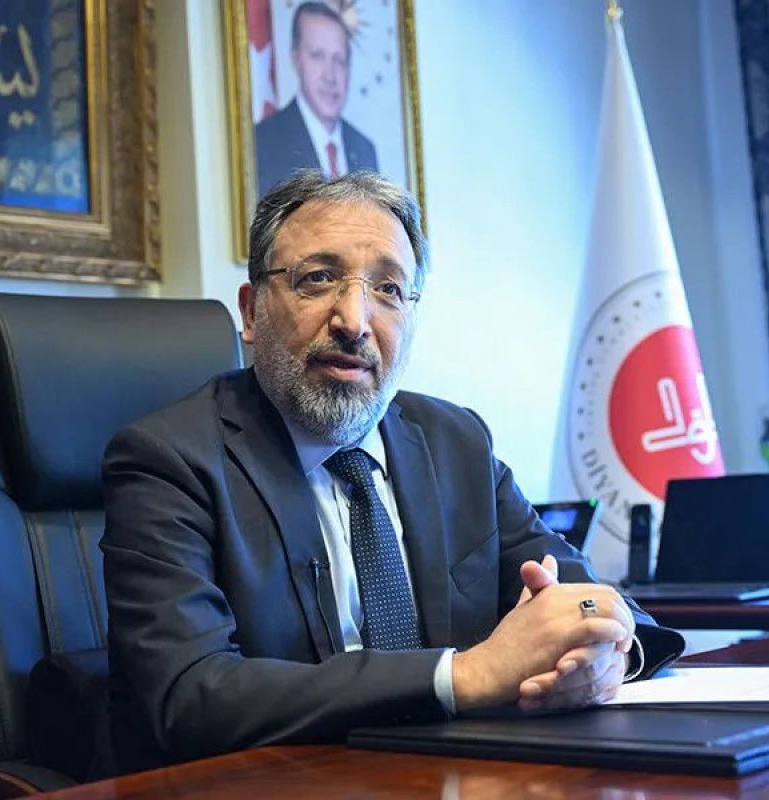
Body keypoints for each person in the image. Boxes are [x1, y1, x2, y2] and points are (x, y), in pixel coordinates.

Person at [101, 170, 685, 770]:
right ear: (252, 313)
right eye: (318, 278)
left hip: (461, 775)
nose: (355, 321)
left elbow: (583, 595)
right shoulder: (169, 459)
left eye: (388, 289)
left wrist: (609, 651)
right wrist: (464, 675)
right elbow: (189, 696)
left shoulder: (456, 440)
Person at [254, 2, 378, 197]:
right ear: (296, 60)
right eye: (318, 56)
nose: (330, 76)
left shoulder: (364, 149)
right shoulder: (264, 143)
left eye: (339, 60)